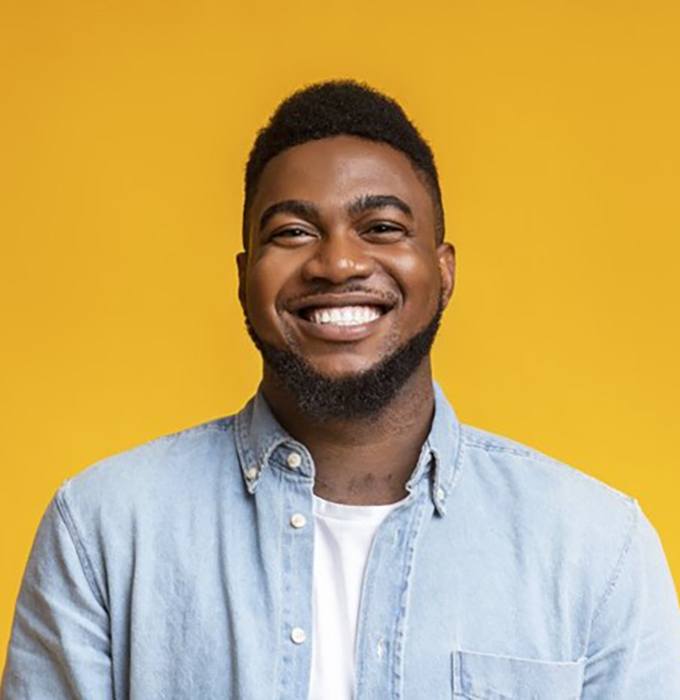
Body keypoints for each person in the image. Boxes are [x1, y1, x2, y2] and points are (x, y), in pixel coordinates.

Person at [2, 80, 679, 700]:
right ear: (245, 277)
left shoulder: (597, 548)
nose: (339, 263)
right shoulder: (102, 531)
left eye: (382, 227)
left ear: (442, 271)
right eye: (292, 232)